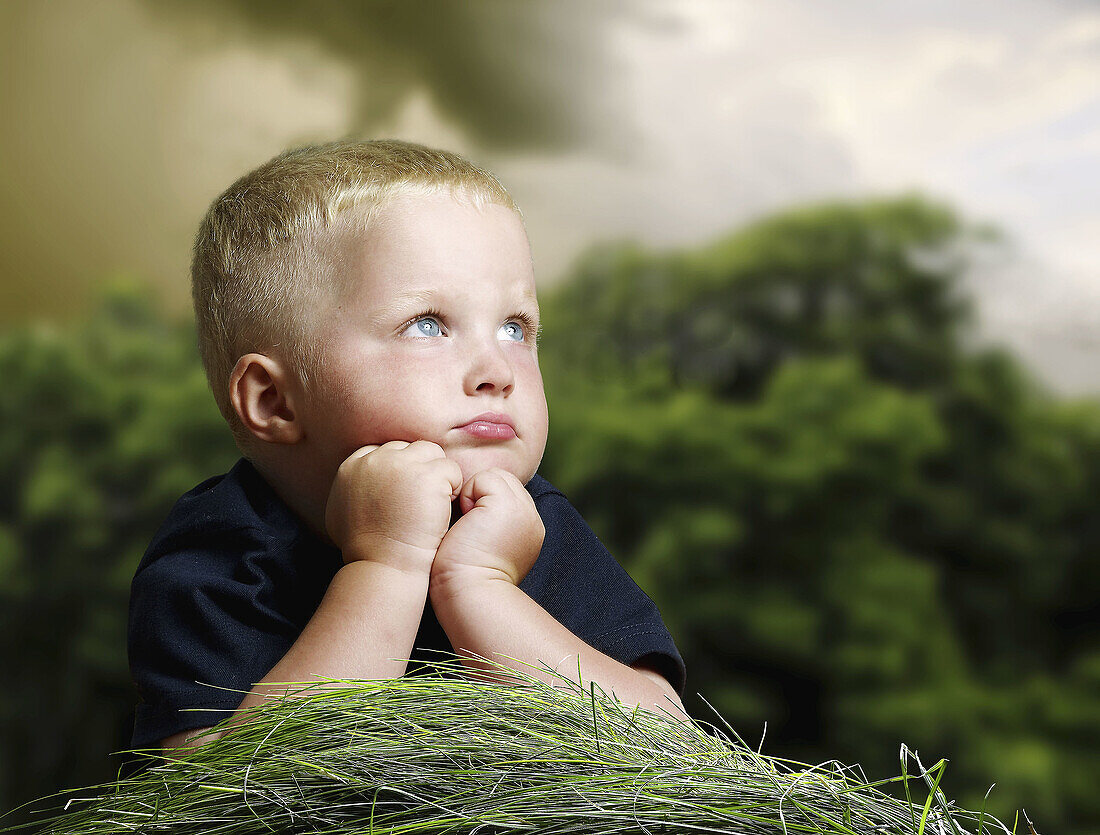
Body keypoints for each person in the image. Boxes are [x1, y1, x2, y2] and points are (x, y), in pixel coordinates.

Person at [128, 139, 686, 752]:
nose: (496, 370)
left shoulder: (533, 524)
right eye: (428, 325)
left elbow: (671, 745)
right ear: (275, 402)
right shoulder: (219, 556)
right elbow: (211, 797)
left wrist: (481, 588)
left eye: (515, 327)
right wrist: (384, 568)